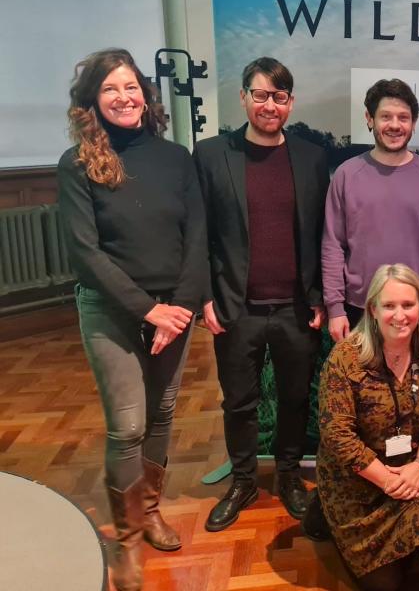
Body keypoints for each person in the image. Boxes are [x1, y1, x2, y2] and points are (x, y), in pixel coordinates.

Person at [57, 48, 207, 590]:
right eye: (110, 89)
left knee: (163, 414)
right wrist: (149, 310)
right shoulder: (77, 164)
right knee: (128, 426)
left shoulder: (176, 158)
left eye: (131, 86)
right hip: (112, 310)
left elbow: (197, 239)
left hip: (176, 310)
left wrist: (179, 310)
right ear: (92, 102)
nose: (124, 97)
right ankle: (125, 541)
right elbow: (85, 253)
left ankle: (150, 511)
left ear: (146, 93)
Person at [194, 57, 329, 531]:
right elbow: (199, 235)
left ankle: (289, 475)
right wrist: (205, 297)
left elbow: (323, 234)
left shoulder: (313, 158)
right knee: (239, 402)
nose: (269, 105)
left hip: (297, 307)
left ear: (291, 103)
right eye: (260, 94)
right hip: (236, 307)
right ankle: (245, 479)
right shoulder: (211, 155)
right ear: (243, 97)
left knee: (295, 398)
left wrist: (320, 297)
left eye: (279, 96)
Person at [315, 263, 419, 591]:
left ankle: (404, 546)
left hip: (410, 469)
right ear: (373, 310)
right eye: (389, 305)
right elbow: (338, 435)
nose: (399, 315)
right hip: (356, 480)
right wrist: (386, 480)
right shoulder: (345, 359)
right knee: (386, 586)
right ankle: (324, 514)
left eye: (408, 305)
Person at [322, 78, 419, 337]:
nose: (395, 125)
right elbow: (333, 246)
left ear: (414, 123)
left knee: (414, 380)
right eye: (386, 116)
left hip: (417, 310)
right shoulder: (346, 175)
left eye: (403, 118)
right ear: (369, 119)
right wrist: (335, 308)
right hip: (360, 310)